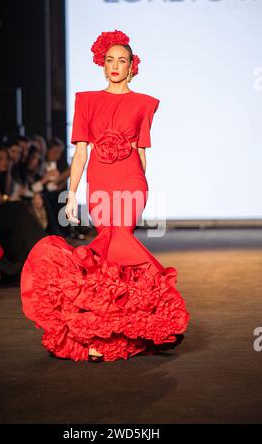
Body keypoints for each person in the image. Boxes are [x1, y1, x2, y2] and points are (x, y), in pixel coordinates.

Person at [20, 29, 190, 363]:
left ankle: (117, 330)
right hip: (99, 184)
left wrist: (143, 187)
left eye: (122, 60)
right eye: (110, 60)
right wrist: (71, 196)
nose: (115, 65)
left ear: (131, 66)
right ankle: (107, 332)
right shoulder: (86, 100)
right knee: (107, 253)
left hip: (131, 181)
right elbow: (81, 153)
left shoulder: (144, 103)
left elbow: (142, 152)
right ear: (102, 63)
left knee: (119, 239)